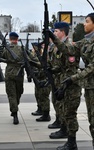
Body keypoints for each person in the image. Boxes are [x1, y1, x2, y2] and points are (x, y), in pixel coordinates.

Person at [56, 13, 94, 149]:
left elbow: (92, 67)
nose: (84, 24)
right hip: (90, 87)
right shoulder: (85, 42)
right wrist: (53, 38)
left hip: (89, 84)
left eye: (87, 21)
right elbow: (68, 49)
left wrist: (73, 78)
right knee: (92, 122)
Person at [48, 22, 82, 149]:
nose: (54, 33)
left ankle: (72, 142)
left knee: (70, 114)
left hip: (71, 87)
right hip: (63, 84)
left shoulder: (69, 46)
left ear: (63, 32)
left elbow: (70, 69)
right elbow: (61, 67)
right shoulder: (60, 47)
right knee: (64, 111)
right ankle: (66, 134)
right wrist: (52, 70)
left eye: (56, 31)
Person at [1, 32, 40, 125]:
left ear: (10, 39)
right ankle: (15, 109)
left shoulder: (6, 49)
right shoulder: (22, 49)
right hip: (19, 73)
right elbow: (31, 58)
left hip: (9, 73)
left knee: (11, 94)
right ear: (17, 39)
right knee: (19, 92)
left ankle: (14, 111)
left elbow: (0, 57)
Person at [31, 42, 51, 122]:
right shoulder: (36, 55)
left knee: (44, 97)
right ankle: (40, 109)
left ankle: (46, 114)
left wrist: (37, 73)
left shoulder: (44, 56)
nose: (32, 49)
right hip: (39, 78)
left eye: (34, 47)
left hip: (44, 79)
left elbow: (44, 68)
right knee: (38, 95)